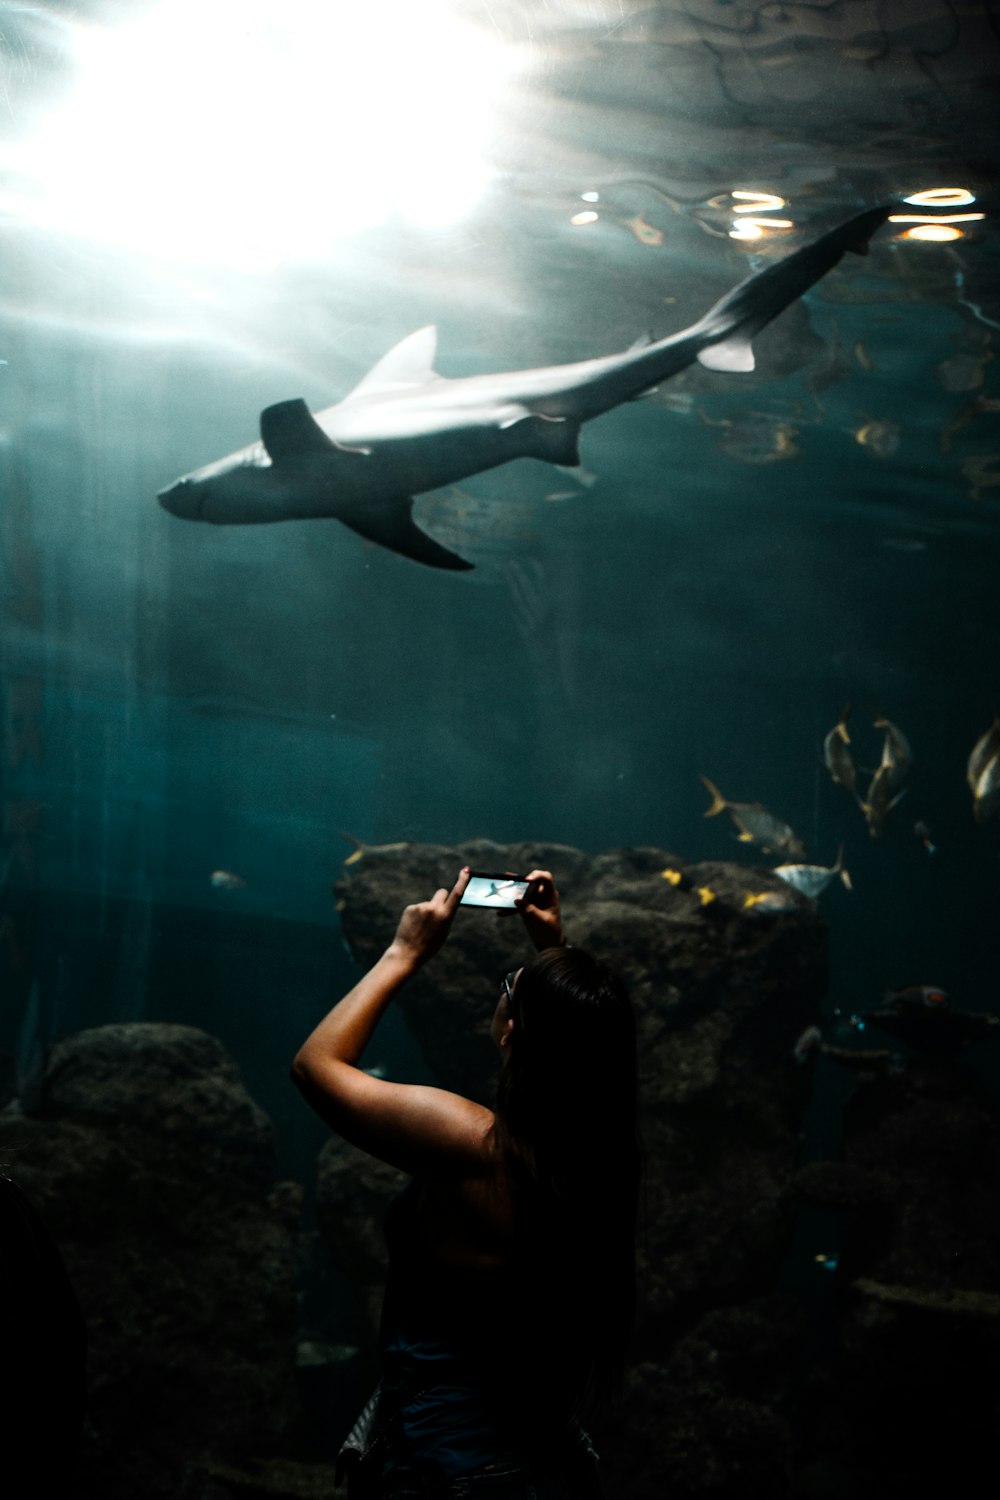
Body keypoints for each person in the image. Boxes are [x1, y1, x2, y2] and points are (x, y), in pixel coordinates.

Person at [291, 866, 640, 1498]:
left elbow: (316, 1067)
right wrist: (552, 953)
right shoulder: (603, 1162)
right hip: (535, 1454)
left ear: (512, 1030)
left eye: (512, 988)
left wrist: (405, 952)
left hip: (448, 1461)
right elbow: (584, 1046)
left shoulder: (473, 1143)